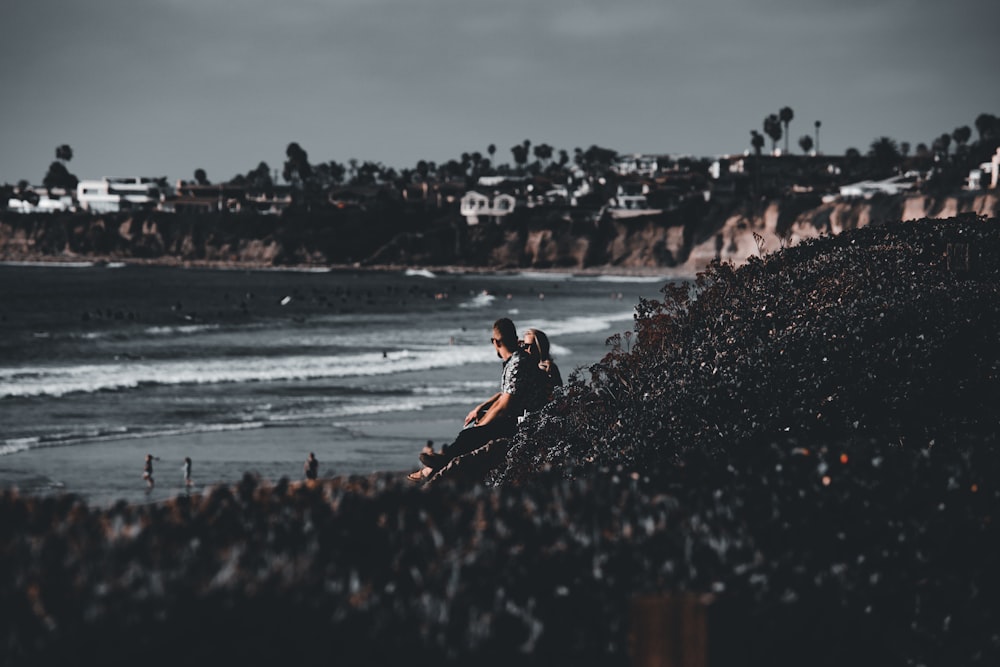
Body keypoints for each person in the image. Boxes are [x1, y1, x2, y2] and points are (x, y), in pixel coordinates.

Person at [409, 318, 548, 482]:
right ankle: (439, 462)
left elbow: (504, 406)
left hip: (525, 423)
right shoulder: (515, 362)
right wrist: (482, 411)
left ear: (495, 342)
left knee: (470, 435)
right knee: (476, 427)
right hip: (520, 417)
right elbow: (504, 396)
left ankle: (438, 464)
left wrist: (481, 426)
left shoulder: (517, 364)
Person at [522, 328, 563, 392]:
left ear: (541, 348)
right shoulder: (522, 365)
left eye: (534, 347)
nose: (529, 350)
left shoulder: (548, 368)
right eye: (526, 346)